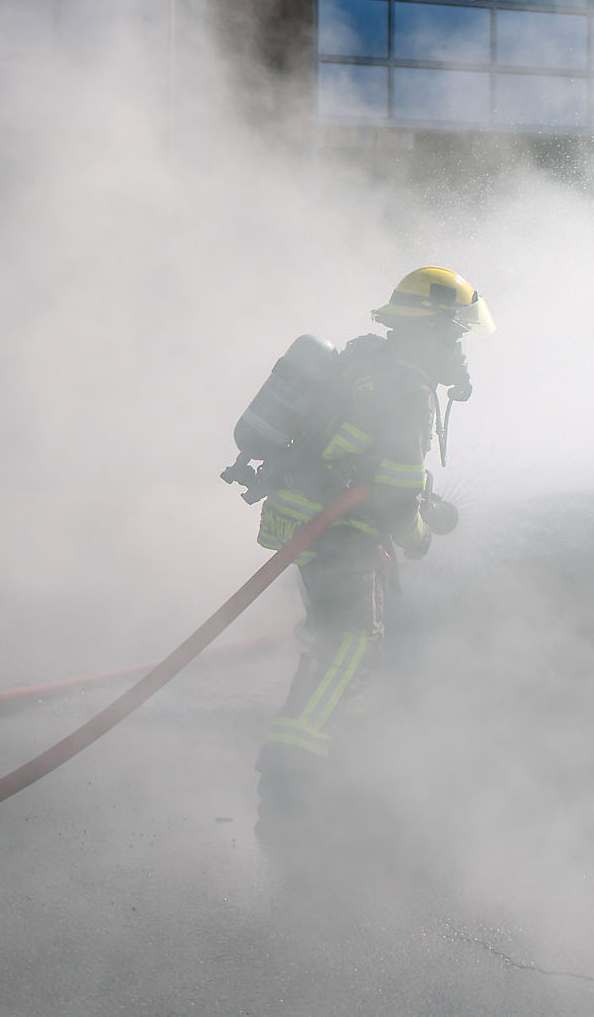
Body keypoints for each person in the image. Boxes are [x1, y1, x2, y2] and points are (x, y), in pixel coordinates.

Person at [248, 265, 494, 839]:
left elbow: (362, 458)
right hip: (333, 529)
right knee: (351, 646)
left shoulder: (364, 358)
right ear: (431, 333)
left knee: (338, 634)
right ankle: (291, 775)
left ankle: (335, 754)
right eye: (455, 337)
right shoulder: (409, 391)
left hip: (301, 515)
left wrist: (406, 499)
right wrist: (416, 537)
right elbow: (400, 486)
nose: (458, 353)